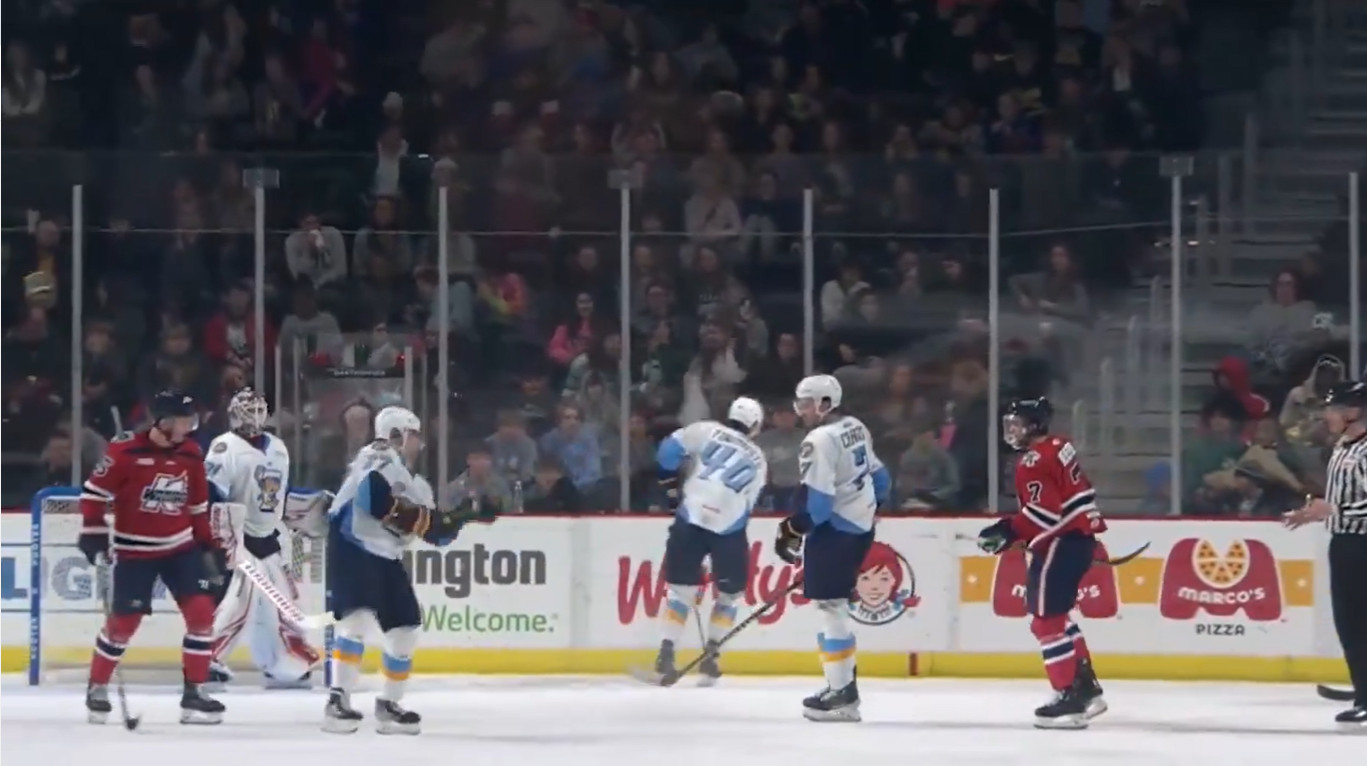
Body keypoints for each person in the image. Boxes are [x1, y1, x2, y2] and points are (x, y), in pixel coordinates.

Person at [323, 406, 497, 734]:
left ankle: (389, 704)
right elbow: (373, 500)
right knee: (356, 620)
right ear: (396, 433)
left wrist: (466, 514)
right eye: (414, 434)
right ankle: (337, 701)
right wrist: (429, 518)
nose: (419, 442)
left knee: (405, 629)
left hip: (386, 556)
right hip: (352, 549)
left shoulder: (411, 481)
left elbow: (435, 533)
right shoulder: (377, 457)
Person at [78, 388, 227, 725]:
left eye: (191, 420)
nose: (189, 426)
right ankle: (98, 686)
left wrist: (207, 543)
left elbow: (198, 505)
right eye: (183, 420)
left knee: (202, 615)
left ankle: (195, 693)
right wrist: (93, 529)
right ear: (162, 421)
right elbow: (93, 495)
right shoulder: (124, 451)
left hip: (180, 549)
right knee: (122, 626)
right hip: (135, 553)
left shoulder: (191, 453)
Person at [976, 397, 1106, 729]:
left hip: (1060, 542)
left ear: (1035, 425)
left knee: (1047, 622)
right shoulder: (1060, 444)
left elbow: (1044, 513)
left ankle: (1069, 698)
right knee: (1057, 619)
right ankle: (1085, 688)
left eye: (1017, 423)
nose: (1012, 430)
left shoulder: (1032, 461)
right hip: (1077, 539)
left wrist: (1008, 529)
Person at [773, 375, 889, 722]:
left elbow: (820, 509)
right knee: (834, 606)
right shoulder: (856, 426)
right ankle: (843, 685)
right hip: (859, 528)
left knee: (831, 608)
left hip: (835, 531)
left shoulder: (818, 440)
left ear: (825, 403)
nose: (801, 410)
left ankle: (841, 693)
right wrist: (868, 511)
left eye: (806, 403)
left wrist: (791, 528)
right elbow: (882, 480)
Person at [206, 388, 324, 689]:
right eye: (247, 410)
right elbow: (212, 494)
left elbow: (280, 493)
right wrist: (220, 539)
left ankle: (285, 663)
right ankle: (204, 659)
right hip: (237, 537)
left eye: (257, 410)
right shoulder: (224, 447)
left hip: (267, 536)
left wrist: (300, 512)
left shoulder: (279, 448)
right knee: (236, 603)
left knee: (283, 603)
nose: (253, 417)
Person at [648, 396, 768, 685]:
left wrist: (671, 489)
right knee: (730, 594)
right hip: (729, 528)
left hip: (690, 516)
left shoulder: (705, 430)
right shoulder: (760, 460)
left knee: (680, 590)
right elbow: (747, 503)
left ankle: (666, 650)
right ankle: (712, 652)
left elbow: (667, 452)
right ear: (755, 426)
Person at [1284, 380, 1367, 731]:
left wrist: (1330, 509)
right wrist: (1314, 512)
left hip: (1362, 544)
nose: (1326, 415)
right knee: (1349, 623)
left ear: (1353, 412)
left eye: (1333, 409)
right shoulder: (1344, 446)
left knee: (1360, 622)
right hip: (1345, 543)